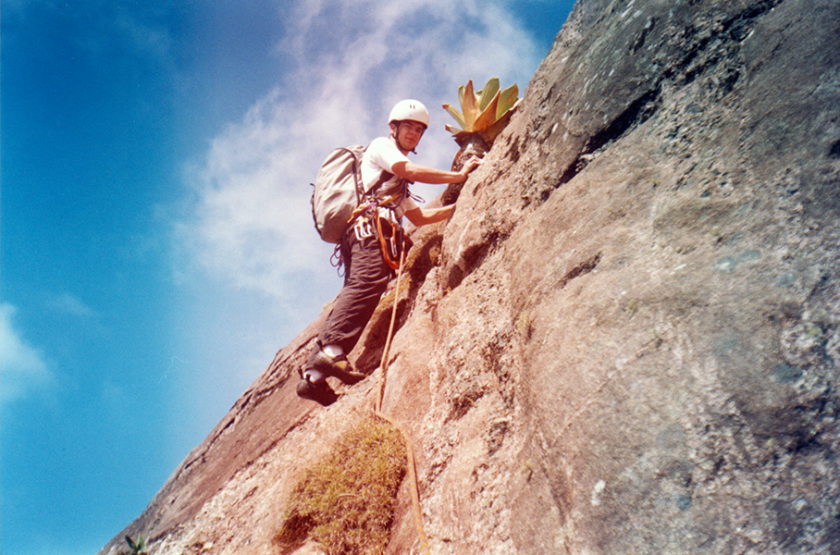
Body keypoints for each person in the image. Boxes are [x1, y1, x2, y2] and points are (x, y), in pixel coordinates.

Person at [297, 99, 481, 405]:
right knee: (367, 284)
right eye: (408, 125)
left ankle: (313, 378)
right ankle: (330, 351)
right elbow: (409, 169)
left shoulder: (394, 186)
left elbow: (419, 218)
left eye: (420, 129)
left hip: (366, 233)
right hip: (368, 230)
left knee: (362, 291)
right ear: (393, 128)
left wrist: (462, 204)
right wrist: (460, 176)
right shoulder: (381, 148)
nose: (414, 132)